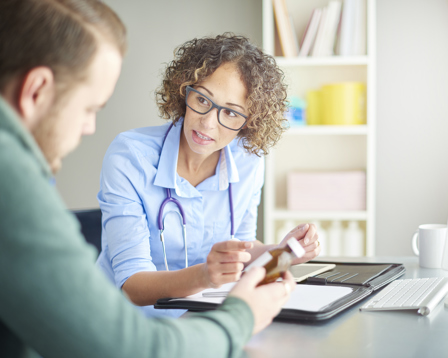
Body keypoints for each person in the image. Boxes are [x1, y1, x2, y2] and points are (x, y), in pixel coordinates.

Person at [0, 1, 296, 357]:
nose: (90, 127)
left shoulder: (21, 169)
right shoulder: (12, 178)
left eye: (231, 113)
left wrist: (278, 253)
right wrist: (242, 315)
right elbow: (138, 345)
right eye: (89, 108)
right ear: (36, 91)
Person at [97, 33, 321, 318]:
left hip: (201, 318)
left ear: (249, 123)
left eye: (230, 113)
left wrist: (281, 251)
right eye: (202, 99)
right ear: (184, 89)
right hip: (124, 322)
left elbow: (240, 253)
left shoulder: (249, 161)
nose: (207, 122)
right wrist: (206, 275)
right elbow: (132, 286)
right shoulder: (130, 156)